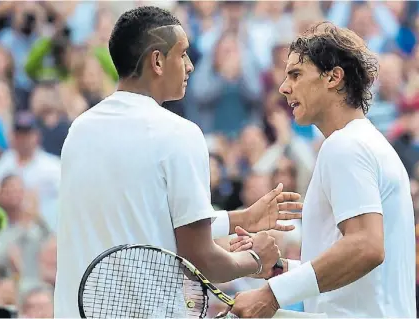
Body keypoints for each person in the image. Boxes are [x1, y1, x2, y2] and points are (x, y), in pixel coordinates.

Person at [53, 6, 302, 317]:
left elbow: (147, 219)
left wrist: (243, 219)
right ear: (157, 61)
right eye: (182, 54)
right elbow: (201, 261)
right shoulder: (179, 134)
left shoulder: (79, 130)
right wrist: (257, 259)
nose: (190, 66)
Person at [229, 22, 416, 318]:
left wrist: (272, 295)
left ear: (333, 78)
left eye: (296, 74)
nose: (284, 87)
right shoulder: (366, 142)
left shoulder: (345, 146)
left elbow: (366, 246)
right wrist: (280, 269)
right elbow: (354, 272)